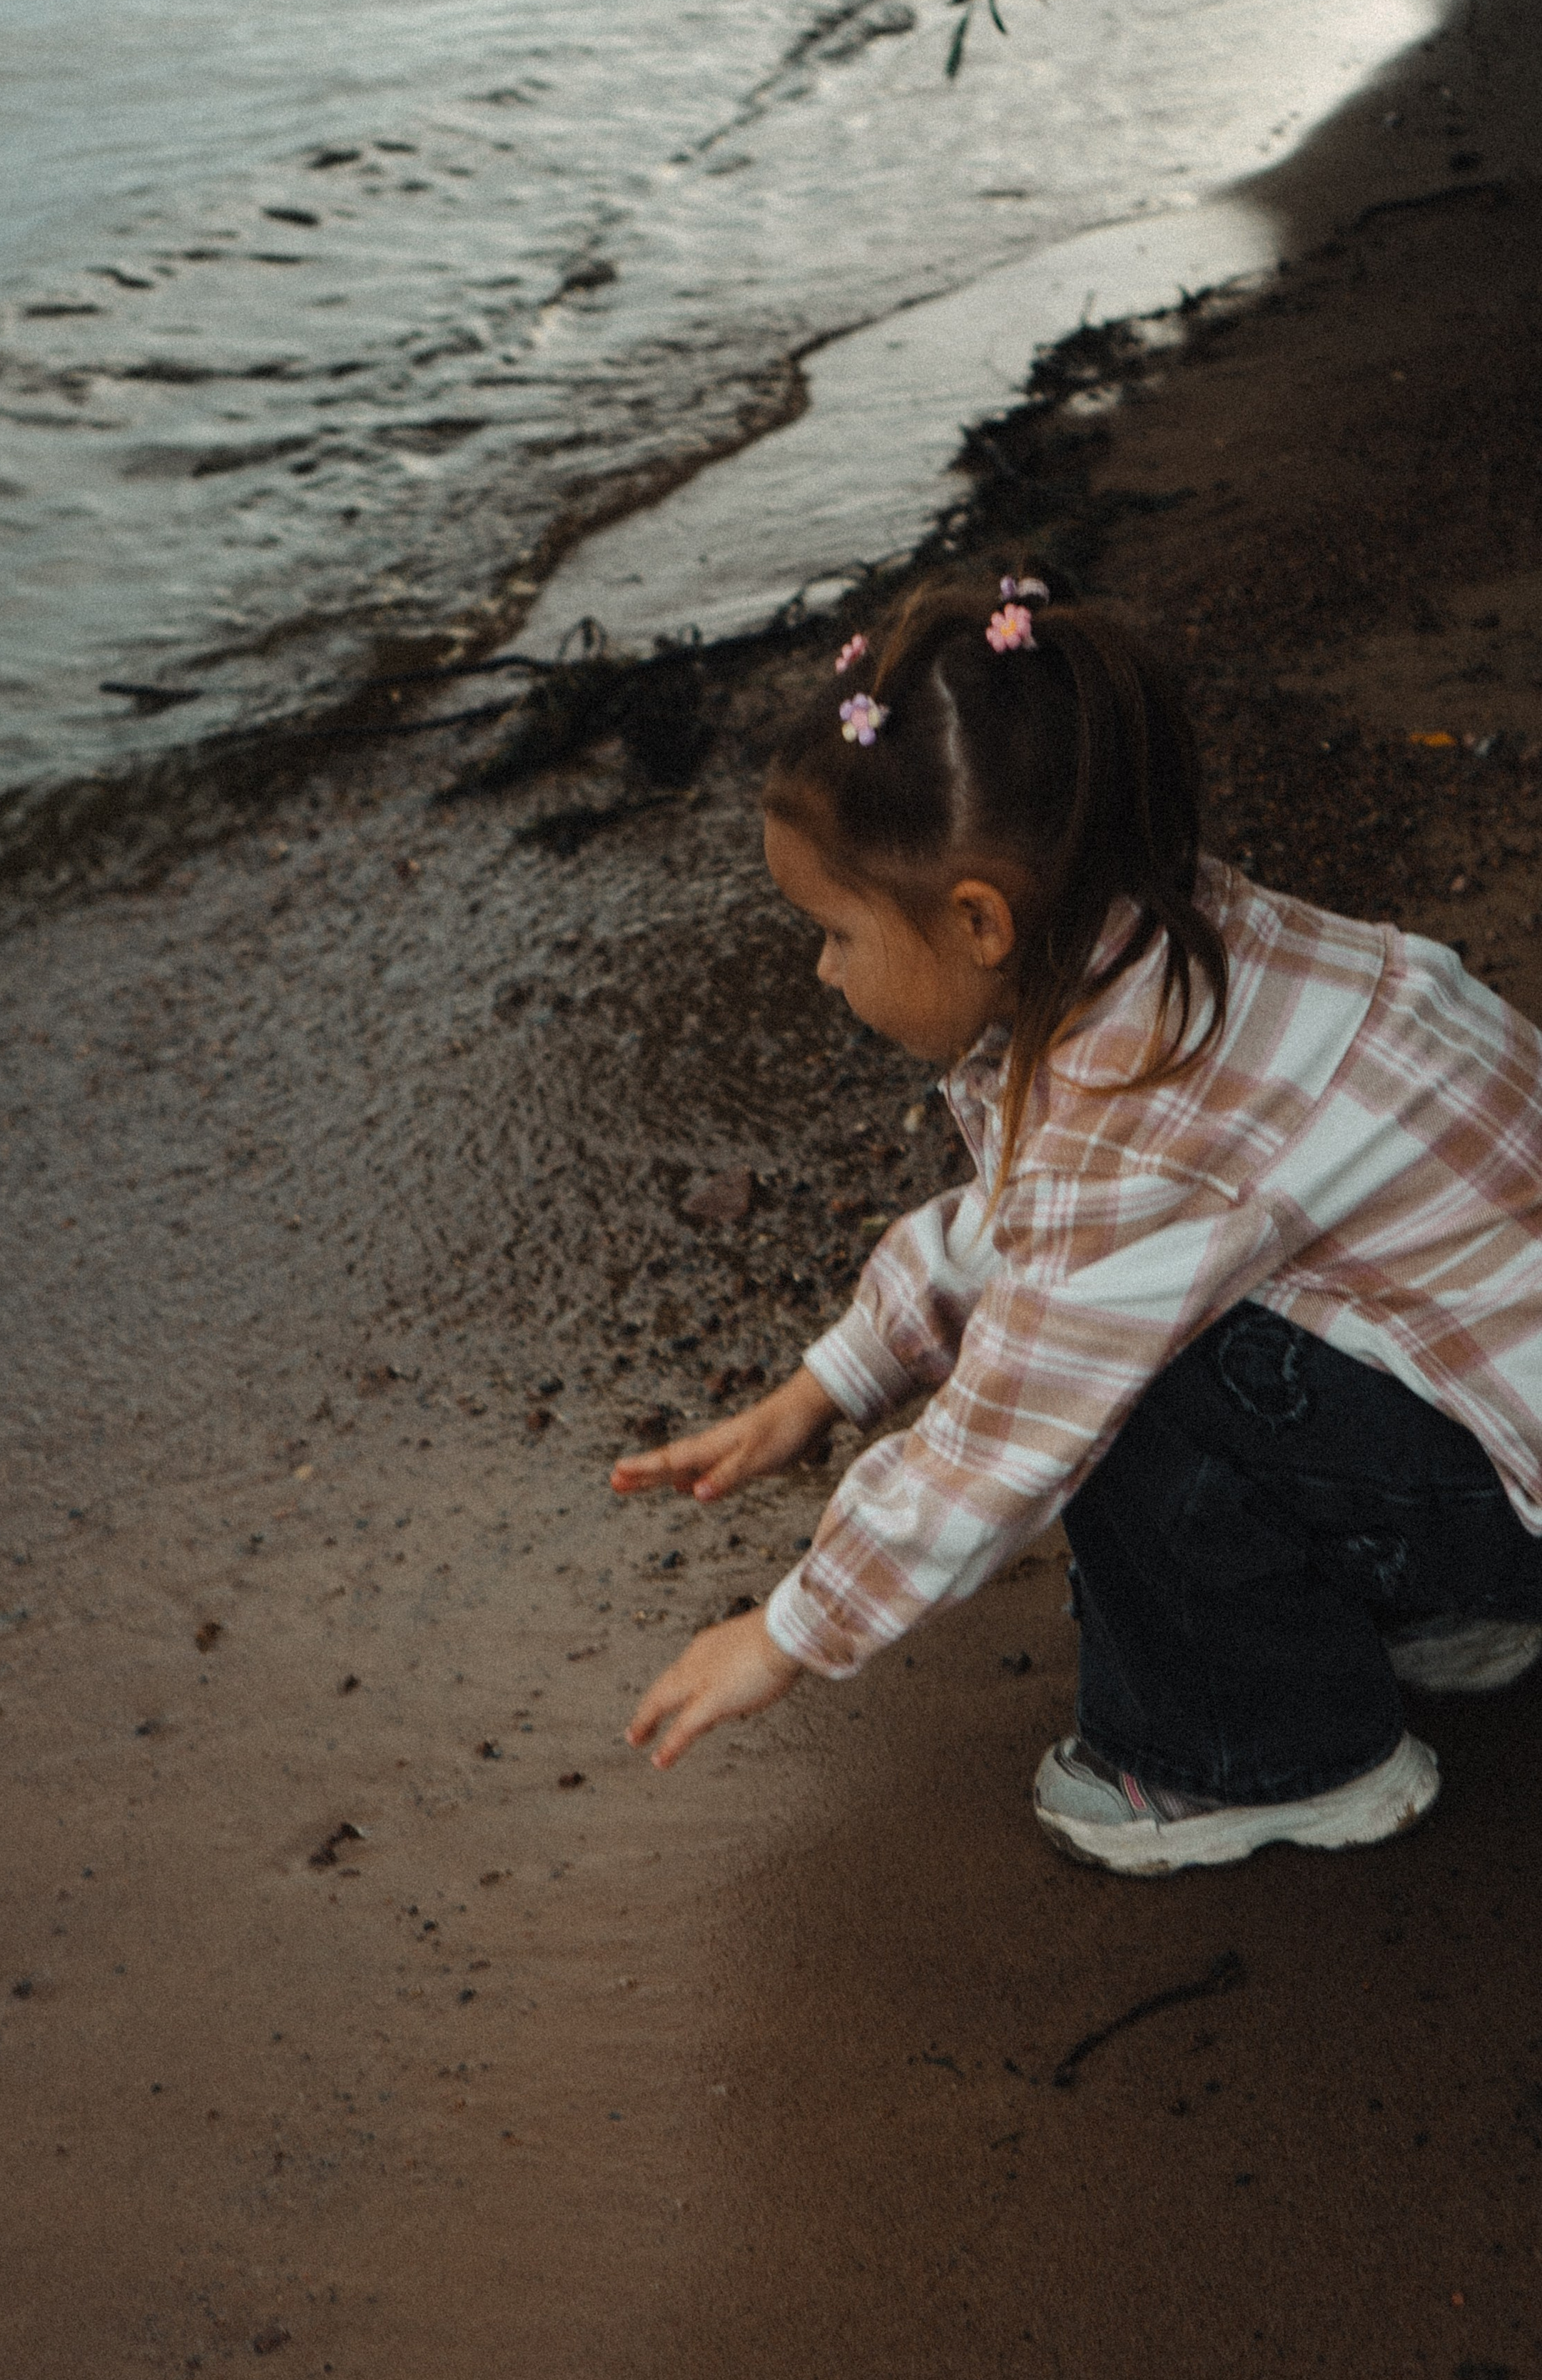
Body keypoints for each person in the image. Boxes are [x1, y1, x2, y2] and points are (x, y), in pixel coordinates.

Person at [611, 579, 1542, 1876]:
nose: (821, 972)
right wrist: (831, 1380)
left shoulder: (1138, 1101)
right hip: (1494, 1427)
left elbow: (1012, 1416)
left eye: (833, 933)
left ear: (981, 918)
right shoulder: (1172, 939)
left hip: (1500, 1488)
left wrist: (787, 1630)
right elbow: (1033, 1218)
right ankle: (1438, 1605)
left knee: (1118, 1381)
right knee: (1145, 1320)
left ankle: (1266, 1754)